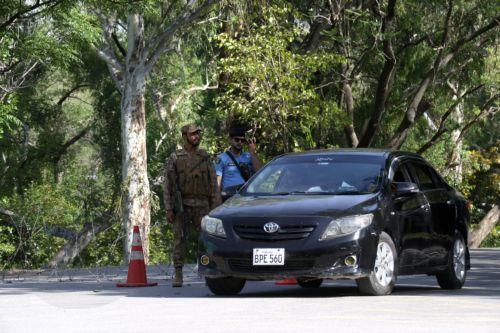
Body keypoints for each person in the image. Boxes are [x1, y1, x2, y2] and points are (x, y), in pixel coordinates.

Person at [163, 124, 221, 287]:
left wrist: (216, 207)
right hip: (182, 205)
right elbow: (167, 185)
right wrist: (168, 208)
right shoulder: (175, 157)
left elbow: (213, 185)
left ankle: (210, 270)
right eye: (193, 134)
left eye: (198, 134)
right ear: (185, 136)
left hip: (203, 205)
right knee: (179, 239)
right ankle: (178, 273)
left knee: (207, 238)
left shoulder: (204, 157)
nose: (196, 137)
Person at [216, 127, 262, 196]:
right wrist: (218, 200)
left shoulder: (249, 156)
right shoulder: (222, 158)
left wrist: (252, 153)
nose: (240, 142)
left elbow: (261, 173)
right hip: (229, 198)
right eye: (237, 139)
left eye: (242, 140)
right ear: (230, 140)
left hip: (246, 197)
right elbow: (217, 183)